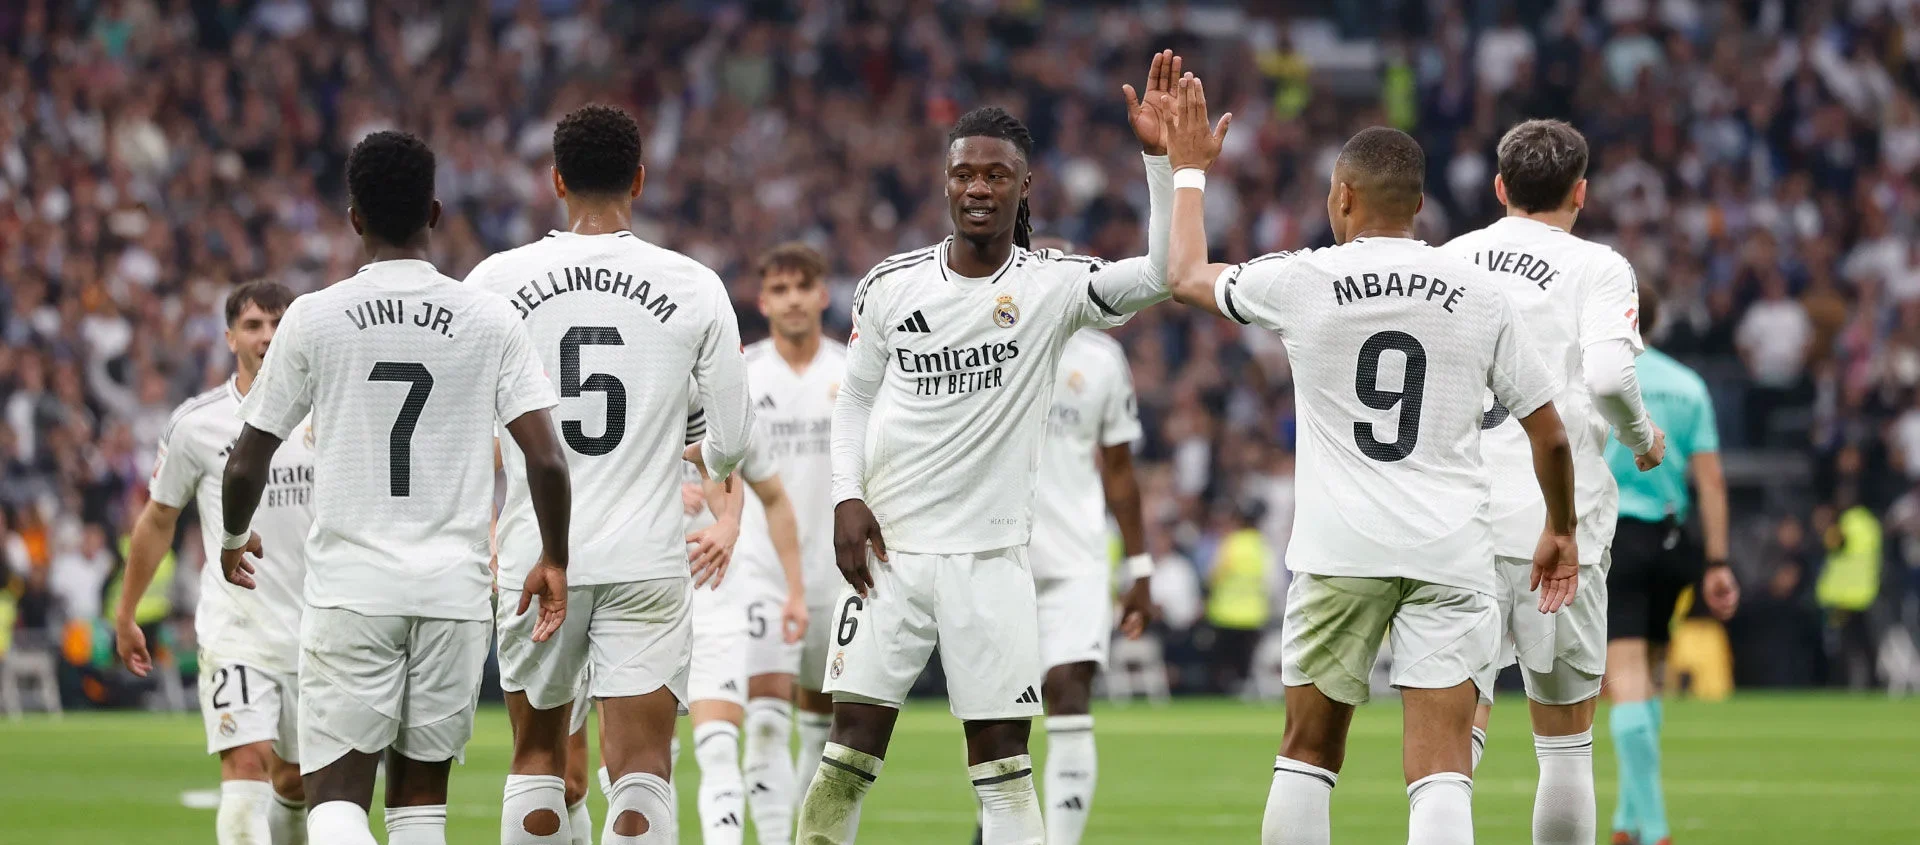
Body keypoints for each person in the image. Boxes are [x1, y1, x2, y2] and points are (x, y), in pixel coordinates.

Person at [1158, 80, 1578, 845]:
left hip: (1338, 551)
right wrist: (1562, 529)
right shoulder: (1481, 293)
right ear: (1417, 206)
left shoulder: (1301, 279)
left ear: (1343, 197)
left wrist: (1187, 169)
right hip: (1450, 552)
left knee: (1307, 755)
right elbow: (1549, 434)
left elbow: (1184, 275)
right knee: (1443, 770)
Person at [796, 50, 1183, 845]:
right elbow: (855, 399)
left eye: (996, 175)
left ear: (1024, 186)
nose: (978, 187)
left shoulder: (1051, 288)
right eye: (965, 173)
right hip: (890, 556)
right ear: (946, 181)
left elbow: (1158, 275)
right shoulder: (892, 285)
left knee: (1003, 766)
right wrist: (845, 492)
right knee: (846, 755)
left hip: (994, 561)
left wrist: (1159, 163)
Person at [218, 130, 574, 845]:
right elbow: (547, 460)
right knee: (419, 807)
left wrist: (231, 536)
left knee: (337, 799)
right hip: (452, 591)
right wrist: (555, 558)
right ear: (435, 212)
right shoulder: (489, 316)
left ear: (353, 218)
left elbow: (245, 461)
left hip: (352, 587)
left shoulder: (314, 317)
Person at [465, 104, 753, 845]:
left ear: (555, 179)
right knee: (641, 771)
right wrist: (699, 455)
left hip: (537, 552)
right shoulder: (693, 284)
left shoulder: (495, 280)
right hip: (647, 557)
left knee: (536, 760)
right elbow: (733, 439)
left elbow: (465, 427)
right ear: (640, 178)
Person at [1438, 118, 1666, 845]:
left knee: (1448, 740)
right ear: (1581, 191)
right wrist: (1641, 436)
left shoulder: (1449, 260)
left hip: (1457, 520)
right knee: (1564, 740)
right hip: (1557, 523)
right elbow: (1606, 373)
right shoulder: (1597, 267)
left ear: (1500, 187)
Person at [963, 233, 1154, 845]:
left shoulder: (1101, 360)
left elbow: (1120, 471)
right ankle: (997, 825)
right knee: (998, 716)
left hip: (1076, 559)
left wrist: (1141, 566)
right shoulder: (983, 341)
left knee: (1068, 693)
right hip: (996, 553)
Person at [115, 281, 315, 845]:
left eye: (278, 323)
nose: (267, 336)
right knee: (244, 767)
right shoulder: (196, 424)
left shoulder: (329, 413)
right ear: (230, 338)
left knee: (296, 781)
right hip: (237, 630)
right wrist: (128, 611)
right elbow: (158, 519)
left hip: (315, 630)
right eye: (253, 326)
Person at [1602, 283, 1739, 845]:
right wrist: (1718, 561)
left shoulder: (1599, 380)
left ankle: (1654, 826)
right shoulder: (1688, 386)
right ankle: (1627, 820)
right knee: (1650, 679)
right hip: (1674, 540)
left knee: (1626, 680)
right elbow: (1710, 482)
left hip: (1615, 537)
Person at [734, 244, 845, 845]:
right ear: (763, 301)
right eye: (780, 289)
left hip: (837, 569)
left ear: (823, 294)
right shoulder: (745, 374)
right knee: (767, 719)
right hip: (761, 566)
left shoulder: (849, 371)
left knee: (822, 725)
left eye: (803, 286)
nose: (793, 298)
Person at [677, 397, 806, 845]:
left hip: (714, 589)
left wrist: (795, 591)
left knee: (719, 745)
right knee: (640, 762)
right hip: (631, 591)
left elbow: (768, 496)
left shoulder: (726, 405)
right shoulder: (624, 385)